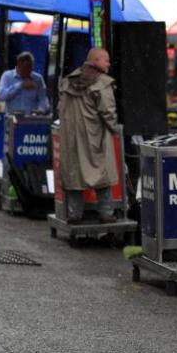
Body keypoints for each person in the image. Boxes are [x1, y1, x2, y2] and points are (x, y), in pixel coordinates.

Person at [58, 48, 118, 223]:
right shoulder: (102, 83)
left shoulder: (68, 81)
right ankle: (106, 213)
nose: (108, 63)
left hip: (71, 137)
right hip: (95, 136)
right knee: (102, 173)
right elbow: (108, 112)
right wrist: (114, 128)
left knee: (74, 174)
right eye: (106, 60)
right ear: (96, 60)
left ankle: (74, 214)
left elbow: (60, 108)